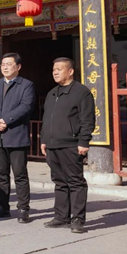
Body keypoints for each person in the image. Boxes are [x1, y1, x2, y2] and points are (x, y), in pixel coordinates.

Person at [41, 57, 95, 234]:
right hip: (52, 145)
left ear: (70, 71)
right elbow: (46, 118)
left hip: (71, 144)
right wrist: (44, 140)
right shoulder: (52, 93)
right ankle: (61, 217)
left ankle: (78, 219)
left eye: (59, 69)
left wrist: (83, 141)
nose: (55, 72)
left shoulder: (81, 92)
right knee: (59, 181)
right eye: (53, 69)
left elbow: (87, 119)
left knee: (75, 182)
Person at [0, 53, 35, 223]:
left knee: (20, 174)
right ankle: (2, 207)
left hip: (16, 135)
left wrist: (6, 120)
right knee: (1, 174)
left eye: (9, 64)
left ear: (18, 67)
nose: (5, 67)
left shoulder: (26, 85)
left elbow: (26, 106)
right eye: (3, 64)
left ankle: (23, 208)